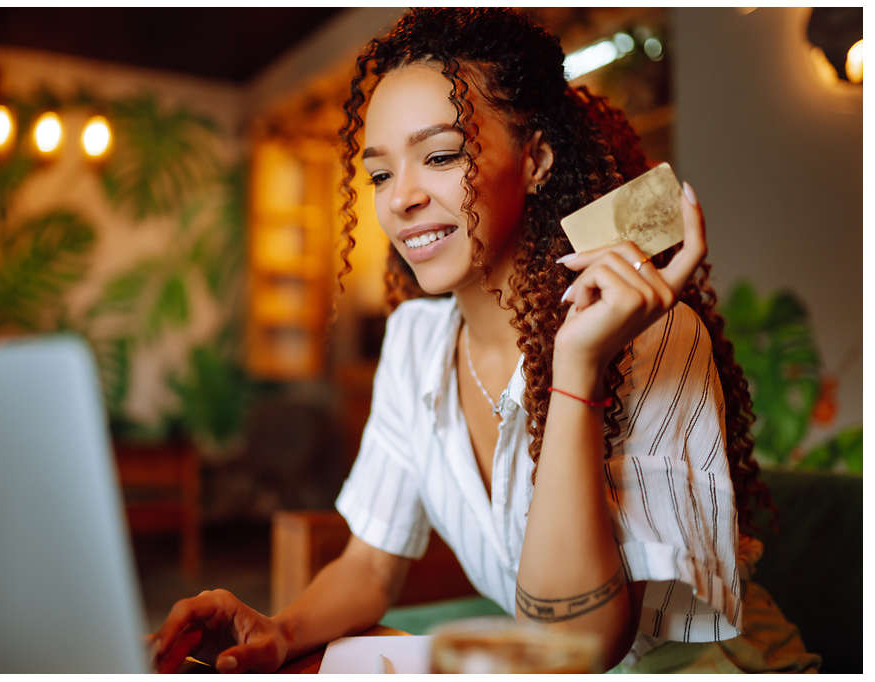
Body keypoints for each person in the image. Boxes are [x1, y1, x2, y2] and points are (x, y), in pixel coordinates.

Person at [151, 8, 817, 673]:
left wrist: (577, 370)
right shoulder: (415, 341)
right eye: (380, 173)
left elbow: (577, 648)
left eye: (440, 155)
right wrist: (278, 630)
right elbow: (372, 564)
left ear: (535, 162)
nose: (399, 199)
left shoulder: (653, 338)